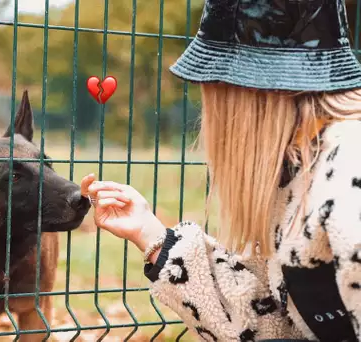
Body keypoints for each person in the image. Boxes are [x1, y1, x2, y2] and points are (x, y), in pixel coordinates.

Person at [80, 1, 361, 341]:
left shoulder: (349, 175)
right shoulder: (298, 164)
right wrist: (151, 235)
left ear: (243, 91)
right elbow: (269, 317)